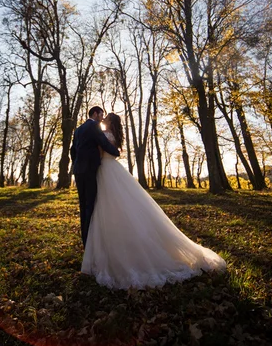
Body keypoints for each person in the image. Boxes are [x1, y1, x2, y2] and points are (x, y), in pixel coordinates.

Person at [81, 113, 227, 289]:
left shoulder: (104, 135)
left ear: (111, 122)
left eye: (106, 118)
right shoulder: (112, 135)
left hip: (105, 171)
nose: (103, 119)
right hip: (112, 170)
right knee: (119, 207)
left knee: (108, 207)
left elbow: (99, 152)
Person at [70, 106, 120, 247]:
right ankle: (89, 242)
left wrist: (76, 164)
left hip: (79, 170)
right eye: (101, 114)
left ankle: (85, 239)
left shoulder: (78, 130)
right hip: (90, 170)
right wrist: (116, 152)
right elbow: (104, 143)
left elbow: (72, 150)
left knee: (83, 204)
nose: (102, 118)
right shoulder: (93, 126)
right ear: (95, 113)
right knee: (90, 205)